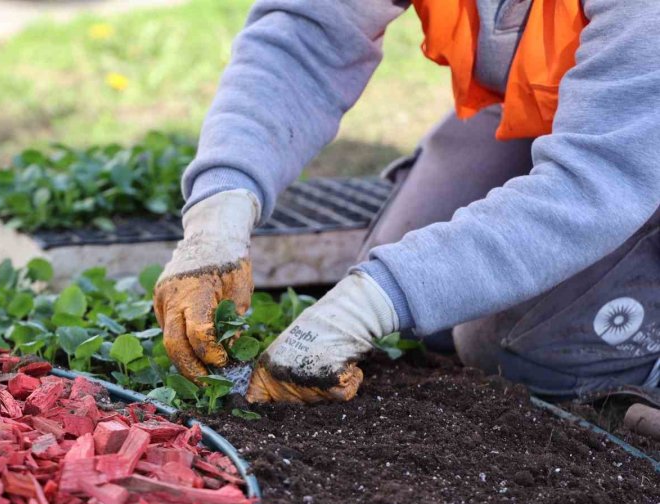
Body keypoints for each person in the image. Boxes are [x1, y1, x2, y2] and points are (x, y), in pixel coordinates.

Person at [153, 0, 660, 404]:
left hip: (629, 150)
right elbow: (308, 33)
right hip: (553, 111)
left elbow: (598, 180)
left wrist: (382, 296)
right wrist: (219, 209)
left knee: (517, 348)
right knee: (424, 313)